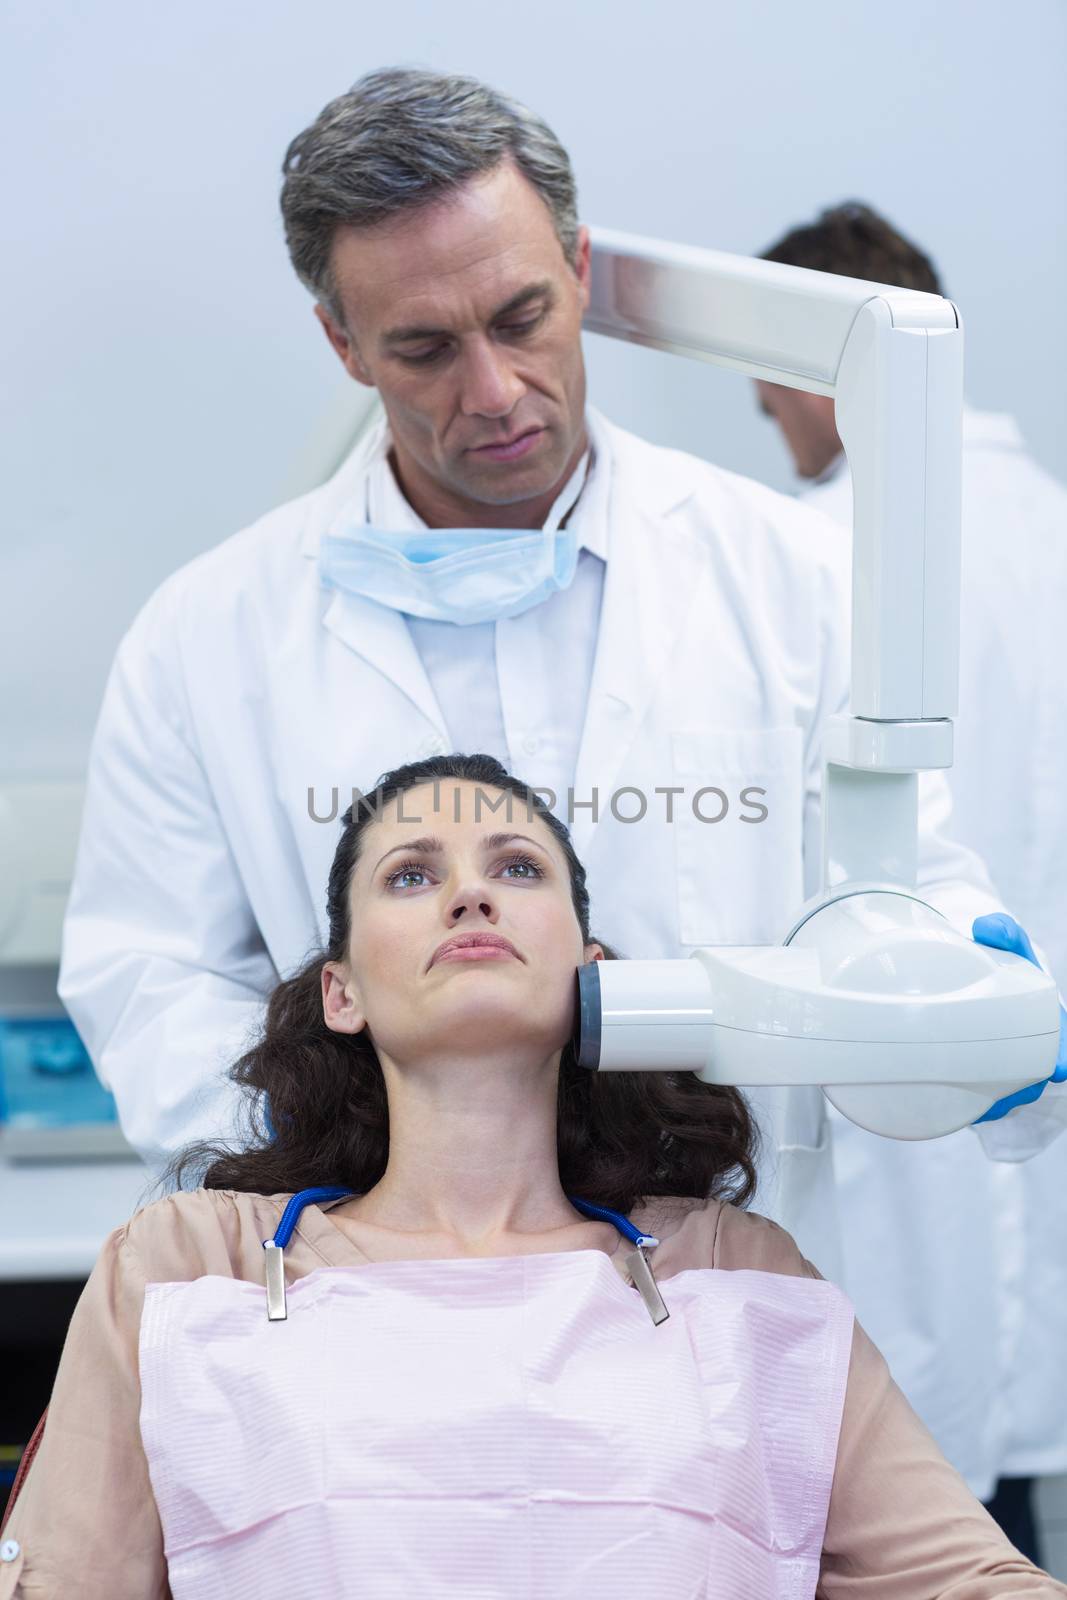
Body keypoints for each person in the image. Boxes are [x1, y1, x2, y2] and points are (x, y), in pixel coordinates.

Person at [59, 69, 1044, 1294]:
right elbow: (149, 969)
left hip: (723, 1281)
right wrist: (341, 1165)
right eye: (423, 348)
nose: (493, 392)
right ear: (342, 343)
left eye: (521, 317)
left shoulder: (786, 575)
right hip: (369, 1295)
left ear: (579, 270)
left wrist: (952, 980)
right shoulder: (206, 636)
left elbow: (899, 889)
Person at [5, 754, 1067, 1598]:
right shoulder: (195, 1266)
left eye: (516, 869)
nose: (469, 894)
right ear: (340, 991)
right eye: (411, 875)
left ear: (595, 973)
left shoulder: (730, 1269)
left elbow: (965, 1582)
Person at [756, 200, 1067, 1558]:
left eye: (768, 394)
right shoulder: (1050, 534)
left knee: (907, 1511)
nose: (765, 425)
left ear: (824, 371)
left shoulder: (797, 561)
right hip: (1014, 1145)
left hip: (897, 1156)